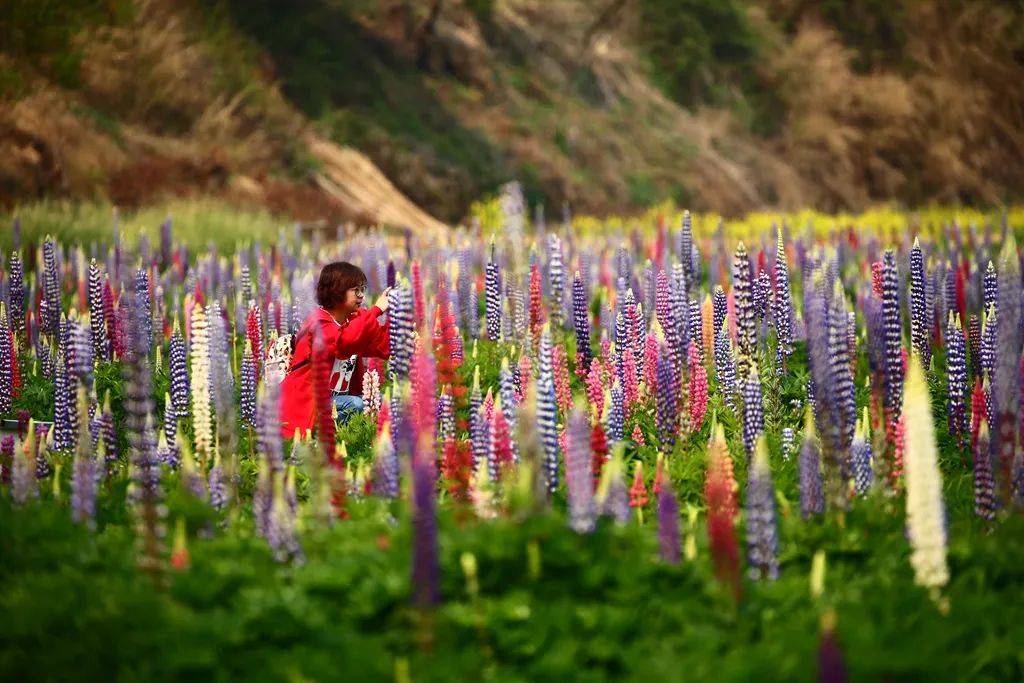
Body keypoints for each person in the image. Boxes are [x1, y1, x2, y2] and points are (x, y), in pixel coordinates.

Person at [279, 262, 390, 439]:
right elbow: (343, 342)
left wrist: (398, 314)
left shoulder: (351, 322)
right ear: (337, 291)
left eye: (363, 289)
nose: (361, 296)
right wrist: (375, 310)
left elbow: (383, 347)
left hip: (336, 404)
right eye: (356, 290)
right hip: (311, 407)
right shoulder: (318, 323)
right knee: (359, 404)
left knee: (386, 403)